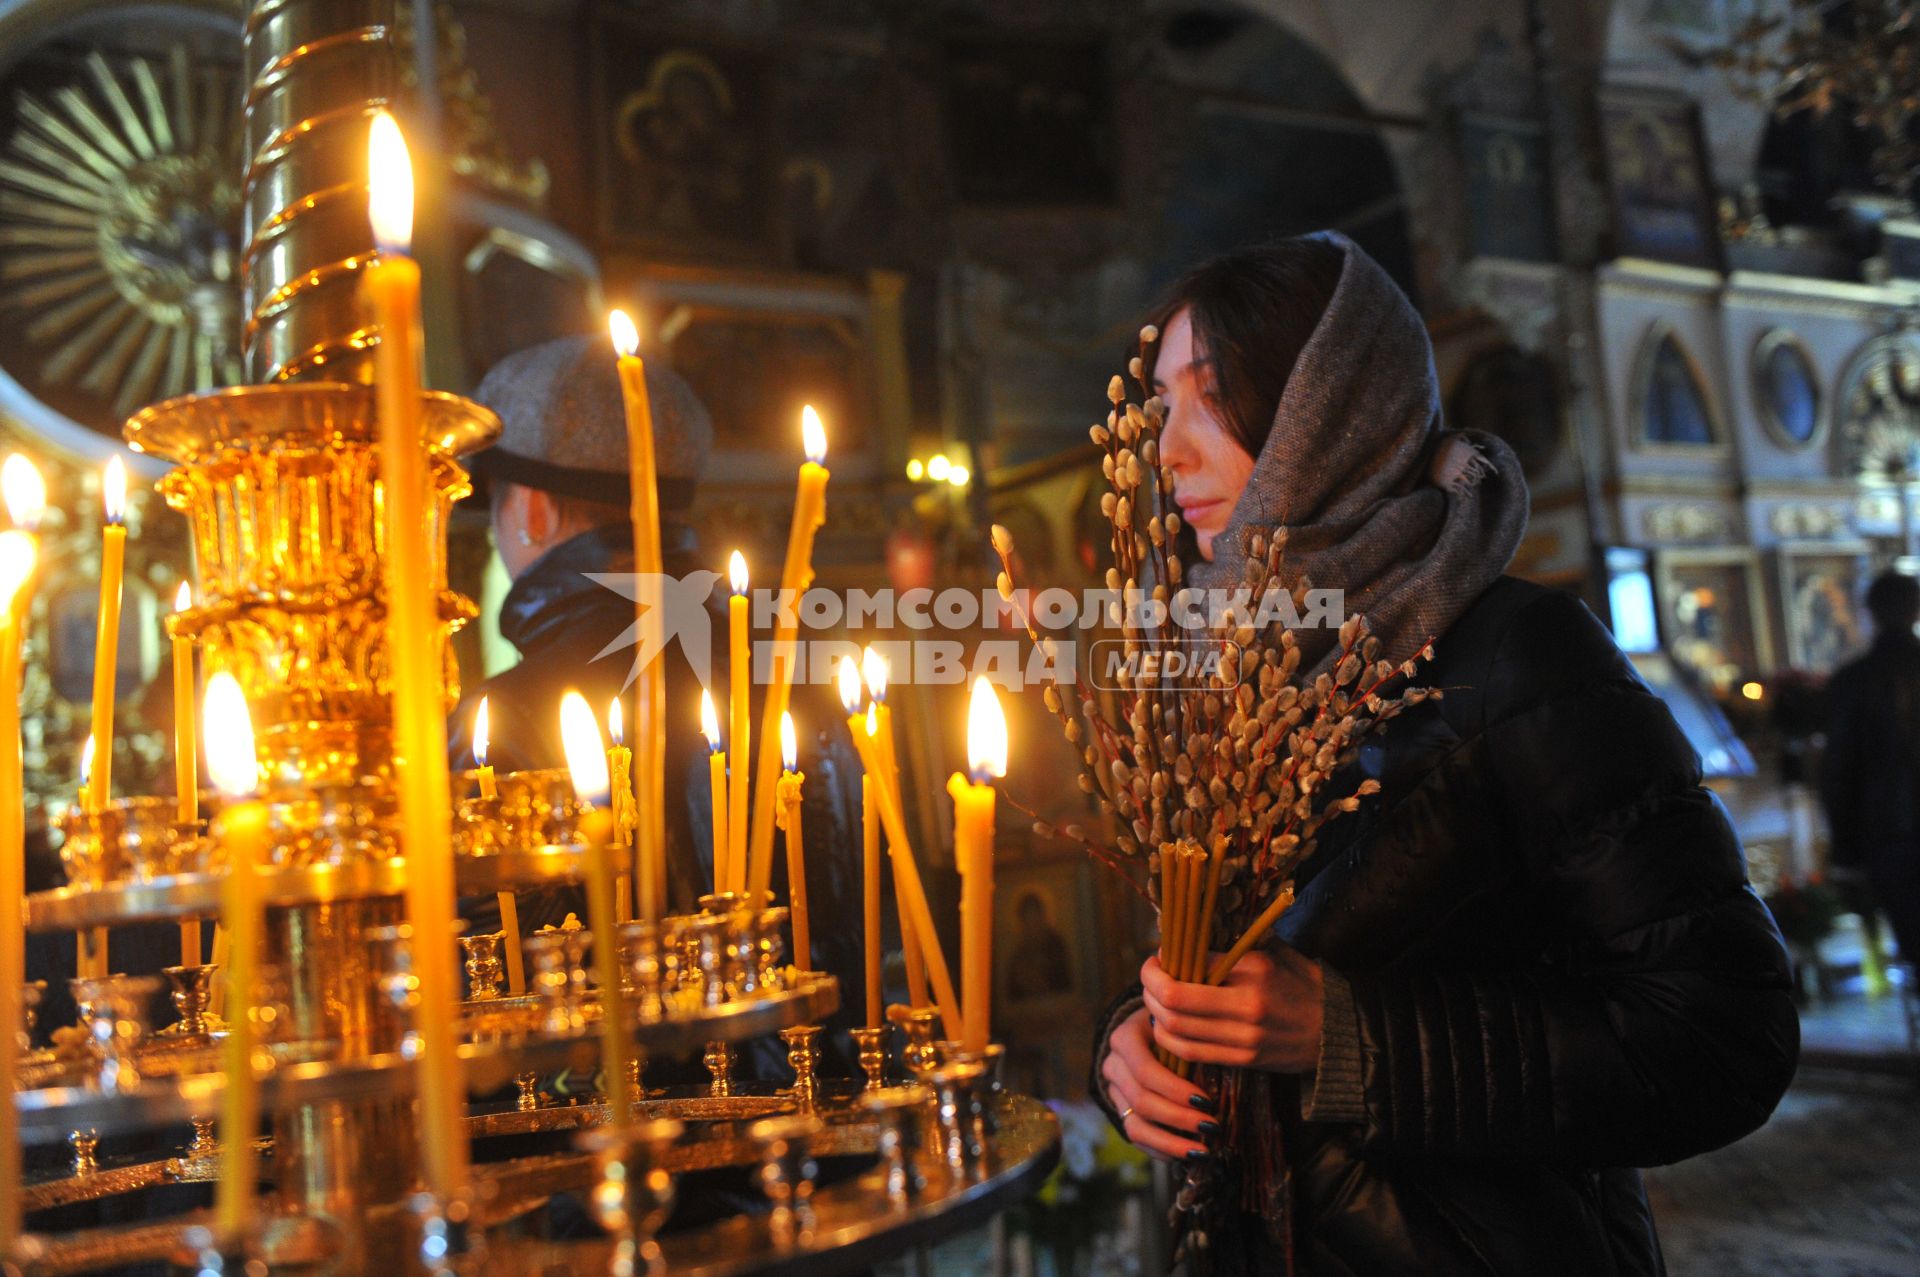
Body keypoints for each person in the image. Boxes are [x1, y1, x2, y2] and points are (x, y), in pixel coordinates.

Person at [1090, 233, 1799, 1275]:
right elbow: (1206, 968)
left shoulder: (1519, 658)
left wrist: (1350, 1042)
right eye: (1162, 407)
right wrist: (1128, 1045)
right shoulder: (1211, 669)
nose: (1169, 450)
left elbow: (1722, 1033)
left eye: (1212, 397)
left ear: (1327, 409)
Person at [449, 334, 719, 935]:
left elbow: (489, 968)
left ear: (533, 511)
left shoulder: (502, 718)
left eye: (496, 508)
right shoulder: (793, 660)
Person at [1822, 569, 1920, 972]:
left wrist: (1844, 849)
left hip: (1886, 832)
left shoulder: (1851, 681)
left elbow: (1837, 772)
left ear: (1871, 612)